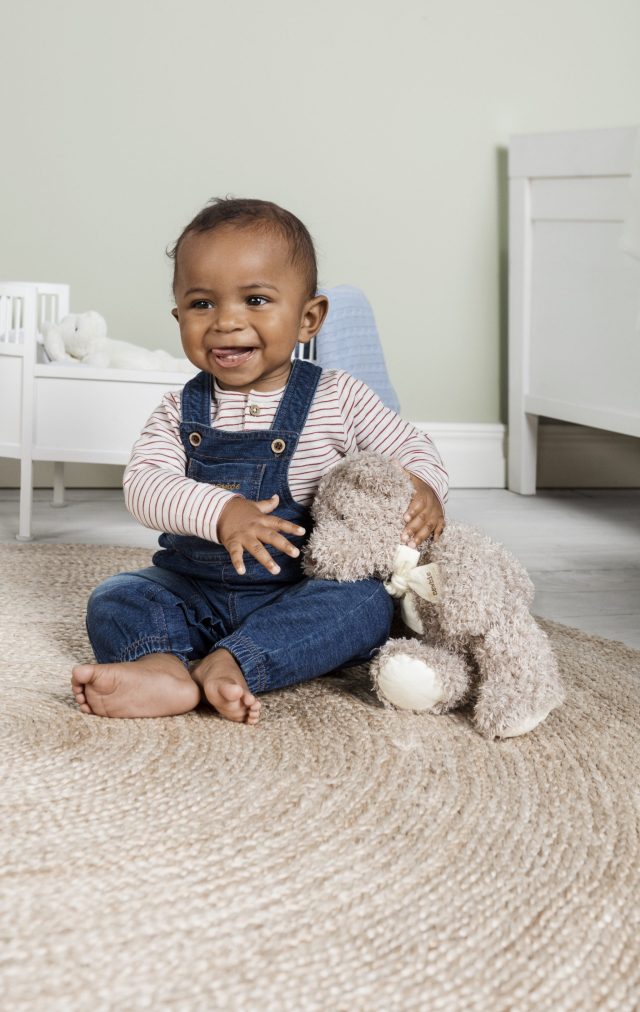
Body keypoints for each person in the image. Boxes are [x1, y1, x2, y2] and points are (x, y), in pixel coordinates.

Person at [71, 198, 448, 725]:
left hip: (298, 589)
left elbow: (411, 447)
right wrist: (222, 511)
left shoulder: (339, 398)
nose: (227, 321)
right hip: (194, 587)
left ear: (307, 318)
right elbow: (144, 485)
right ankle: (162, 669)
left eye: (255, 299)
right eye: (202, 304)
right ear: (179, 315)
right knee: (117, 598)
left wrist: (424, 486)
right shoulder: (180, 408)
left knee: (364, 606)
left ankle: (234, 662)